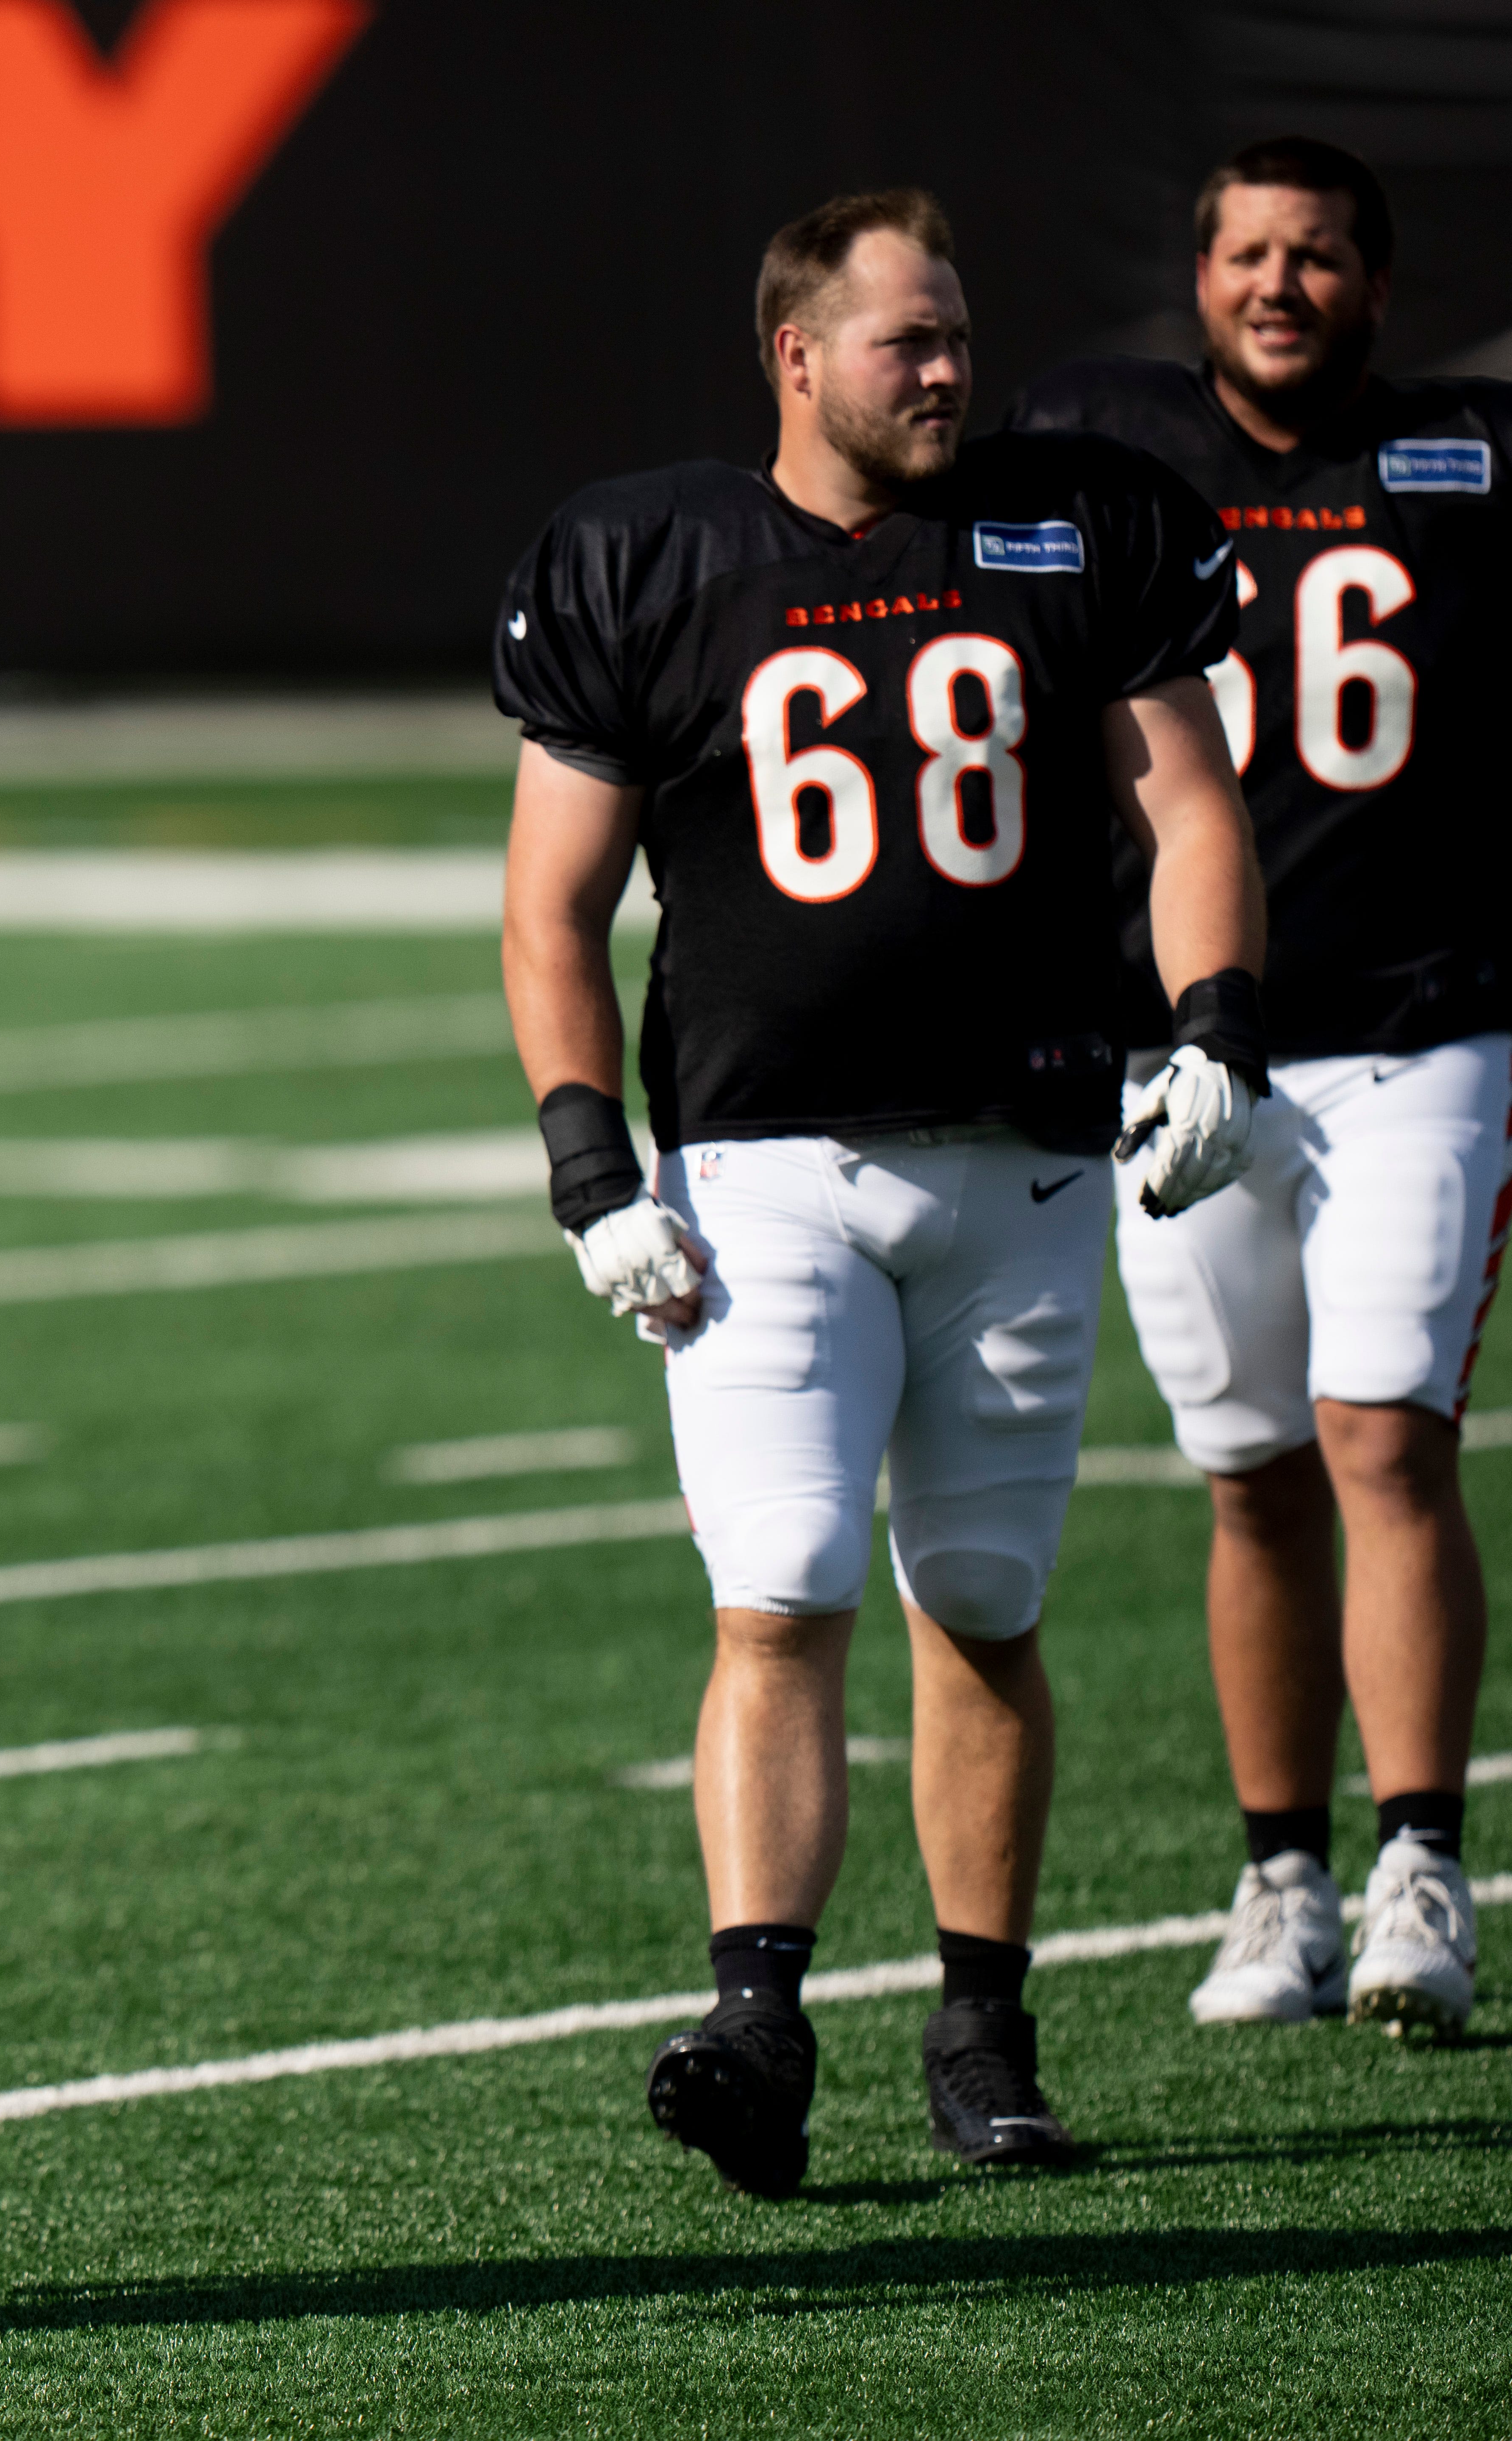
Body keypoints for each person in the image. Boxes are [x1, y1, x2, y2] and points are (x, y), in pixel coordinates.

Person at [495, 190, 1268, 2196]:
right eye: (905, 339)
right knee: (778, 1596)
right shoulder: (650, 555)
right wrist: (592, 1170)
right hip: (762, 1174)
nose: (946, 369)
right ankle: (755, 2020)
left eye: (955, 333)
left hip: (1016, 1156)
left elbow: (1184, 797)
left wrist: (1214, 1029)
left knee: (985, 1607)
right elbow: (551, 906)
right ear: (795, 357)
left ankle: (983, 2028)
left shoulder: (1063, 525)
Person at [1013, 137, 1494, 2041]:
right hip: (1185, 1053)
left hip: (1425, 1029)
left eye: (1317, 256)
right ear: (1194, 278)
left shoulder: (1473, 456)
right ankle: (1280, 1874)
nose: (1280, 284)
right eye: (1247, 255)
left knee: (1385, 1437)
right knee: (1253, 1476)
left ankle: (1422, 1864)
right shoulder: (1093, 443)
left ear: (1382, 284)